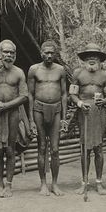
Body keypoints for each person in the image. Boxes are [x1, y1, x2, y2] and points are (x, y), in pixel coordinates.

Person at [69, 43, 106, 195]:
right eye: (88, 56)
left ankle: (99, 183)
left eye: (94, 56)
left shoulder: (105, 75)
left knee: (98, 148)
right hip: (83, 113)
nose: (92, 59)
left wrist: (104, 101)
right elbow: (72, 94)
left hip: (99, 113)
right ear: (84, 59)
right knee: (84, 149)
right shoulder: (77, 73)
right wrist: (79, 103)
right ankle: (84, 182)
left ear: (99, 59)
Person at [0, 40, 28, 198]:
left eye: (12, 53)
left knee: (10, 150)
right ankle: (0, 183)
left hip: (13, 114)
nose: (9, 55)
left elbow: (24, 97)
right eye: (6, 52)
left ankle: (8, 185)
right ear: (0, 53)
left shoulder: (19, 72)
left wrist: (6, 106)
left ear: (15, 55)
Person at [28, 40, 68, 196]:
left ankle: (55, 184)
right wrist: (31, 119)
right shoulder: (34, 70)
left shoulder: (61, 70)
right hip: (39, 108)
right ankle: (43, 184)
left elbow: (64, 94)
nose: (49, 55)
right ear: (41, 53)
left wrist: (64, 118)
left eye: (52, 53)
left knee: (56, 149)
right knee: (42, 147)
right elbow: (30, 95)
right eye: (47, 52)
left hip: (56, 110)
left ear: (55, 54)